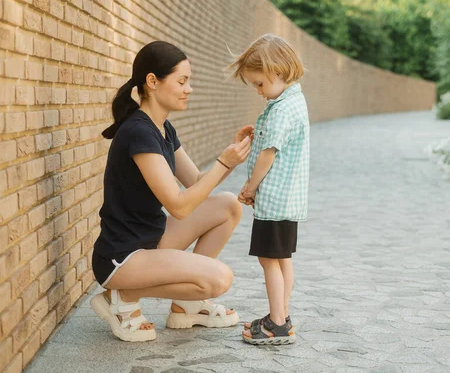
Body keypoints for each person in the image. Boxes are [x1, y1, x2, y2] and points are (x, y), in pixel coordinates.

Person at [90, 41, 254, 342]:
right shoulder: (138, 131)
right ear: (152, 82)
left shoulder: (163, 128)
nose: (188, 89)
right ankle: (120, 296)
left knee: (228, 205)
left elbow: (196, 182)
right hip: (123, 257)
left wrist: (231, 157)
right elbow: (179, 206)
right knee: (218, 279)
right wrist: (222, 163)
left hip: (151, 239)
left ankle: (186, 307)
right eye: (182, 81)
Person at [228, 34, 310, 345]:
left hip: (274, 199)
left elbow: (268, 153)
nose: (260, 91)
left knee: (268, 260)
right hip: (289, 200)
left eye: (260, 84)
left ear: (277, 72)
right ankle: (282, 314)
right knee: (282, 258)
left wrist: (250, 187)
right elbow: (274, 139)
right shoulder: (292, 102)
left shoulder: (281, 110)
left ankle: (277, 323)